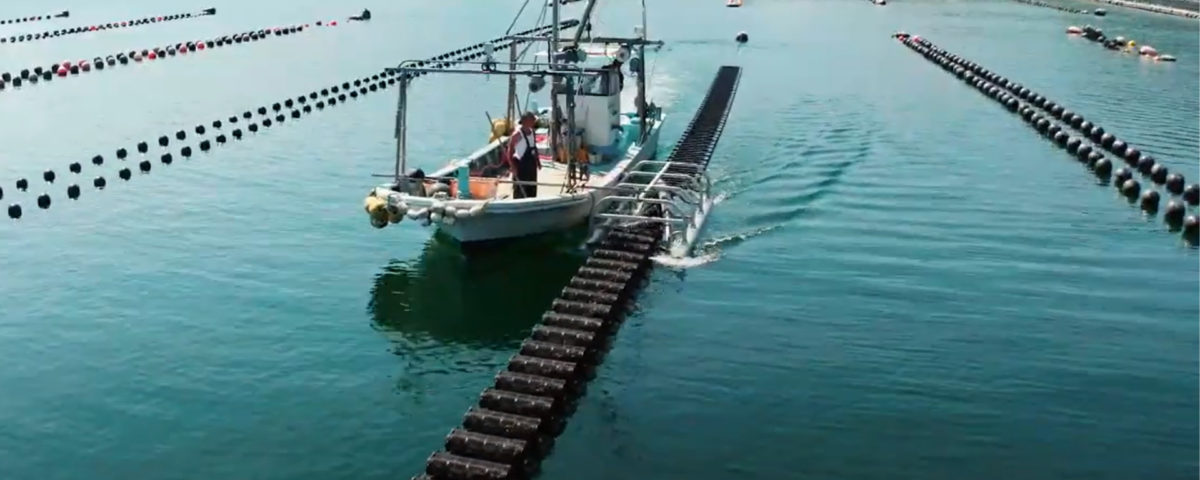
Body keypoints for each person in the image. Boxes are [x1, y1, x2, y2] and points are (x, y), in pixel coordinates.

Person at [506, 111, 541, 199]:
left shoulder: (532, 132)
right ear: (526, 121)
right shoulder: (517, 134)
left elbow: (534, 147)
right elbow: (510, 149)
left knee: (532, 189)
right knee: (520, 191)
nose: (534, 122)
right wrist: (512, 166)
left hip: (531, 165)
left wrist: (538, 161)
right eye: (532, 120)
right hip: (521, 166)